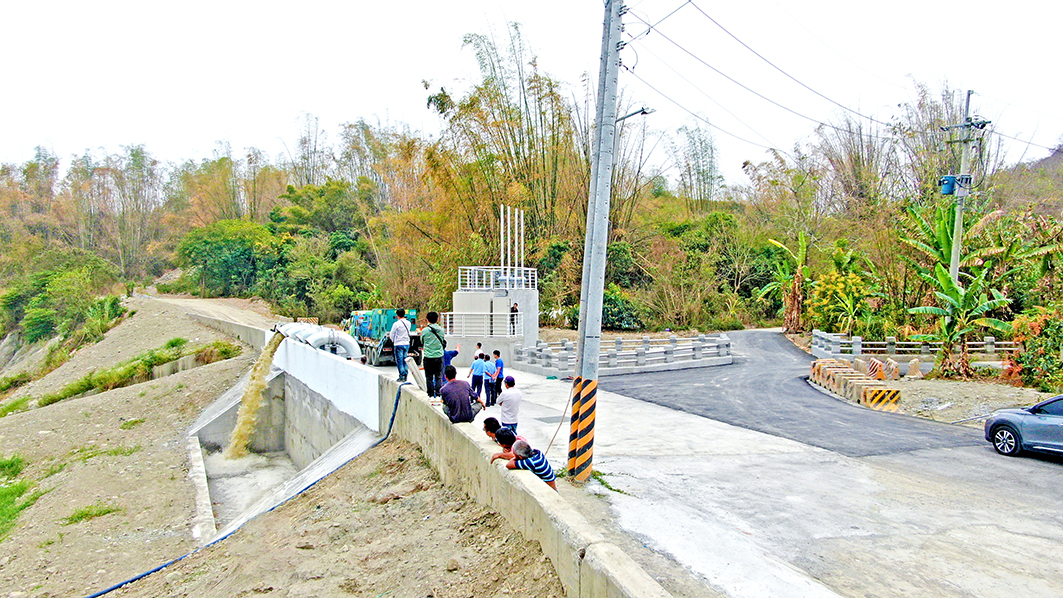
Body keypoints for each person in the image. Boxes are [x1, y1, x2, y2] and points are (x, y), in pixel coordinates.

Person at [420, 311, 446, 398]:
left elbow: (422, 341)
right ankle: (438, 395)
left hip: (428, 357)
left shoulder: (424, 331)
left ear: (427, 320)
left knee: (429, 377)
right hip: (439, 356)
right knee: (438, 377)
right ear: (437, 319)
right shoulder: (442, 331)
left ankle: (430, 395)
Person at [389, 309, 412, 382]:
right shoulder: (408, 323)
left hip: (398, 344)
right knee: (405, 360)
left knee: (400, 360)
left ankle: (402, 375)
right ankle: (405, 375)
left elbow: (391, 334)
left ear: (397, 315)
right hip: (406, 343)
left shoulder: (396, 324)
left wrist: (393, 341)